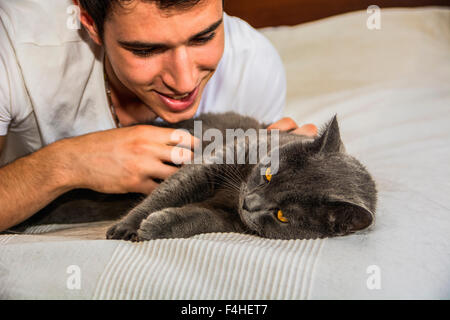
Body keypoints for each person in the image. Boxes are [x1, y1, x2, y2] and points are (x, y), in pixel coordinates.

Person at [0, 0, 317, 232]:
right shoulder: (14, 45)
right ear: (90, 24)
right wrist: (68, 163)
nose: (184, 82)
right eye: (145, 51)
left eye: (203, 37)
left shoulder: (253, 65)